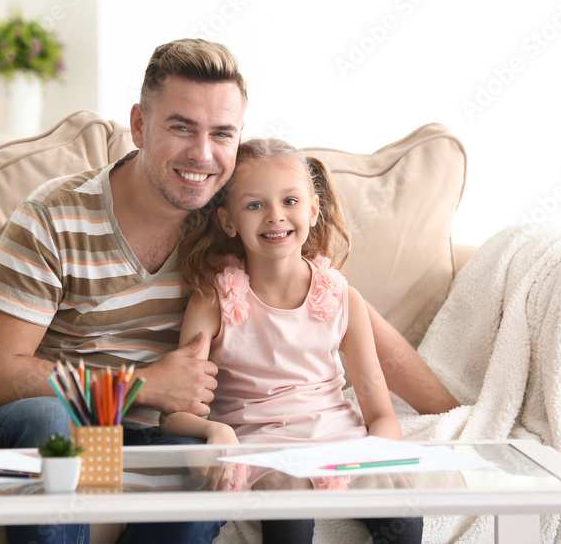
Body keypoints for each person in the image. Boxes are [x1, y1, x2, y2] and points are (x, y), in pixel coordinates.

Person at [0, 39, 454, 543]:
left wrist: (452, 411)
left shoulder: (229, 220)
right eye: (181, 127)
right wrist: (139, 385)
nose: (203, 154)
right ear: (140, 126)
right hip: (48, 422)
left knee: (216, 480)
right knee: (55, 420)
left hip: (152, 435)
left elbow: (338, 309)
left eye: (222, 134)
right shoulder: (52, 217)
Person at [161, 137, 423, 543]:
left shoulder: (343, 298)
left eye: (290, 201)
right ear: (229, 221)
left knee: (404, 515)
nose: (275, 217)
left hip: (339, 445)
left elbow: (382, 415)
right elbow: (174, 411)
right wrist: (215, 432)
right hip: (262, 452)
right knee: (289, 507)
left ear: (313, 210)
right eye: (254, 205)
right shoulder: (213, 300)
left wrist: (372, 458)